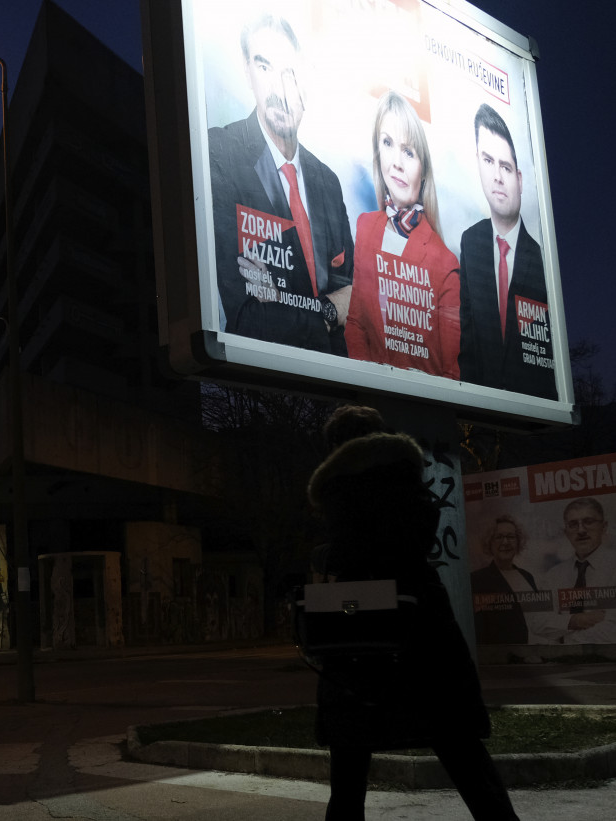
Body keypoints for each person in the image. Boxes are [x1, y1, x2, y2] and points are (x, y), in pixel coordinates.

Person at [307, 405, 517, 820]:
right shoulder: (405, 475)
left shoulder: (334, 491)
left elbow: (340, 553)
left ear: (335, 446)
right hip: (420, 620)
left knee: (350, 756)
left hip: (357, 621)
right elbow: (415, 539)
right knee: (457, 742)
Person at [209, 14, 354, 354]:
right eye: (265, 67)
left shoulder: (327, 181)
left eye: (290, 73)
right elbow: (248, 319)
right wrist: (329, 312)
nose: (280, 89)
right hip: (258, 389)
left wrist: (281, 304)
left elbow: (357, 303)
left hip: (336, 383)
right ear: (247, 73)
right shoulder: (221, 152)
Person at [344, 91, 460, 378]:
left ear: (423, 172)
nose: (396, 162)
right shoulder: (365, 226)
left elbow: (448, 371)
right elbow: (356, 322)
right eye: (387, 143)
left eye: (408, 152)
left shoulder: (445, 263)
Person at [458, 104, 557, 399]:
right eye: (488, 161)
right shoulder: (470, 242)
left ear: (520, 179)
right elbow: (468, 341)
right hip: (480, 415)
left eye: (506, 166)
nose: (498, 177)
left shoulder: (542, 261)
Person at [537, 498, 616, 644]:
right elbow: (539, 623)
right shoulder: (553, 576)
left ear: (604, 527)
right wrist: (577, 620)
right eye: (573, 524)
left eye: (588, 521)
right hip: (564, 665)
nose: (581, 530)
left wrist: (563, 639)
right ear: (566, 532)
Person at [470, 514, 543, 645]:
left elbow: (539, 618)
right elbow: (479, 629)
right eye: (499, 537)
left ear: (518, 541)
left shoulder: (527, 576)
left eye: (511, 537)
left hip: (537, 653)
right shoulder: (477, 580)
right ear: (489, 542)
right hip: (506, 658)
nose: (505, 542)